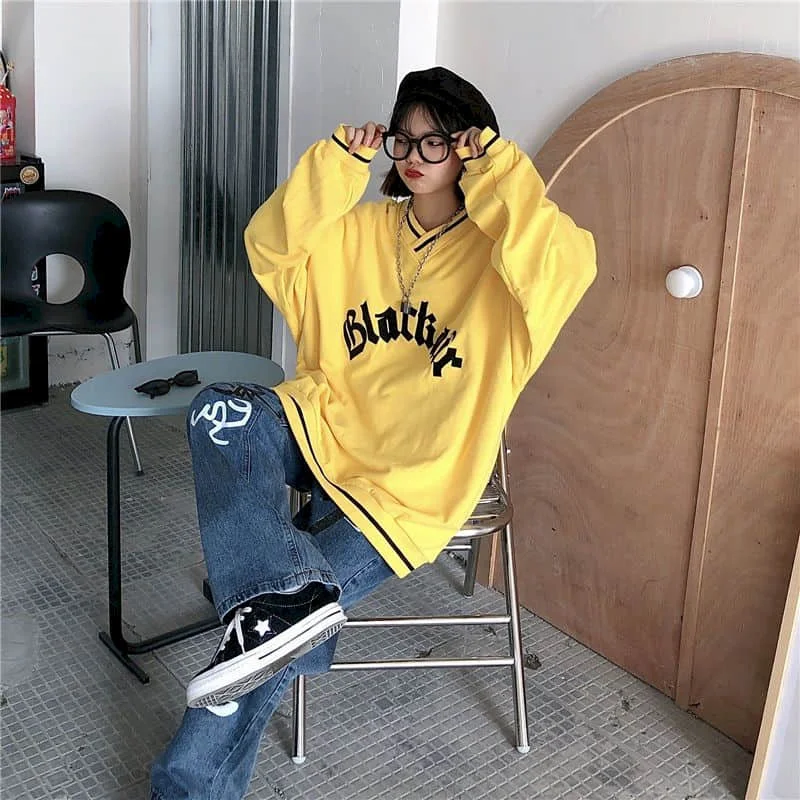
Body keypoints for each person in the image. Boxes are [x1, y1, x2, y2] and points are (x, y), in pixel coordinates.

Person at [150, 66, 597, 799]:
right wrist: (336, 166)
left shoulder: (511, 263)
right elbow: (270, 247)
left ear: (473, 146)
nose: (415, 154)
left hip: (408, 487)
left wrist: (500, 171)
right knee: (219, 412)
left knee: (261, 641)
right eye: (404, 138)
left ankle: (189, 780)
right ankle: (277, 602)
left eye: (437, 139)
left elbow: (570, 266)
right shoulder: (361, 231)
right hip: (324, 428)